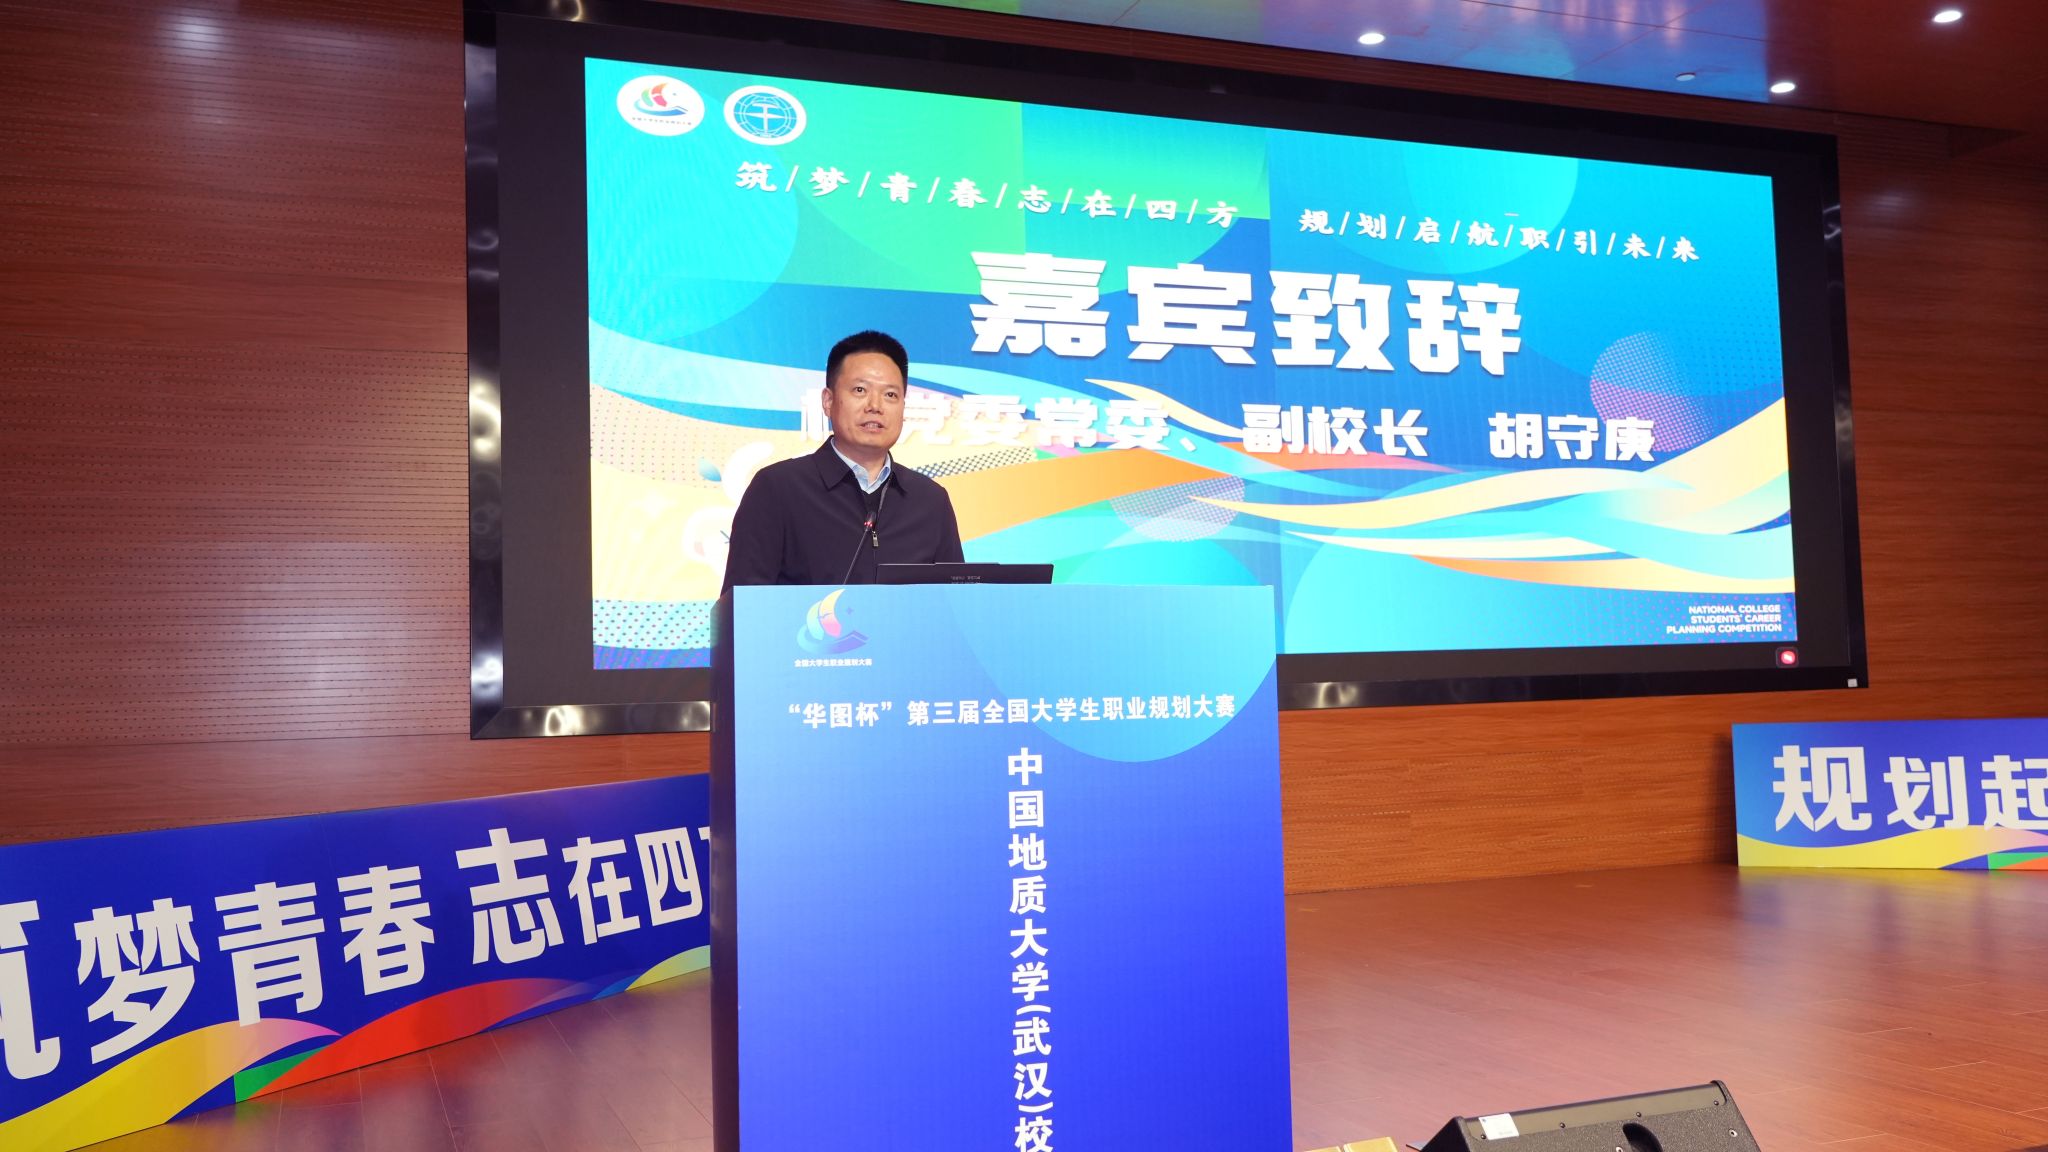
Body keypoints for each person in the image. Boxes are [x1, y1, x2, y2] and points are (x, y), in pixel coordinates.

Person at [720, 330, 964, 593]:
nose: (875, 406)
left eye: (890, 395)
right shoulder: (777, 489)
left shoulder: (930, 501)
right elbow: (740, 606)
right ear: (828, 401)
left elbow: (957, 604)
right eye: (860, 390)